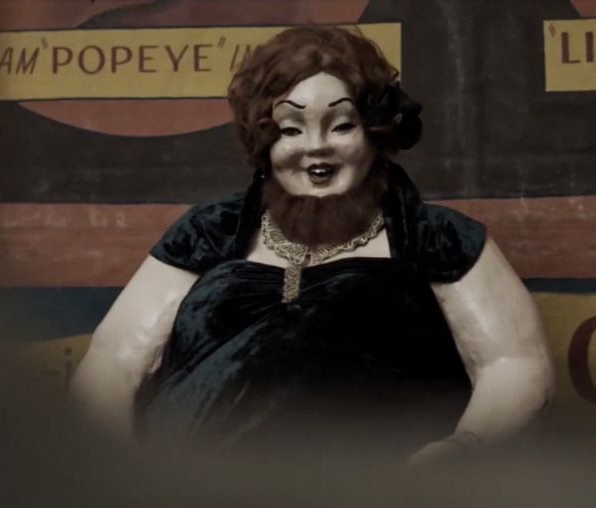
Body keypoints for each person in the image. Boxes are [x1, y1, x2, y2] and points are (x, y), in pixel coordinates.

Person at [71, 25, 554, 464]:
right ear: (265, 140)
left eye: (341, 125)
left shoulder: (436, 238)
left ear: (375, 133)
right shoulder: (209, 232)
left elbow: (514, 365)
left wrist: (461, 449)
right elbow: (114, 361)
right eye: (291, 129)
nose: (316, 146)